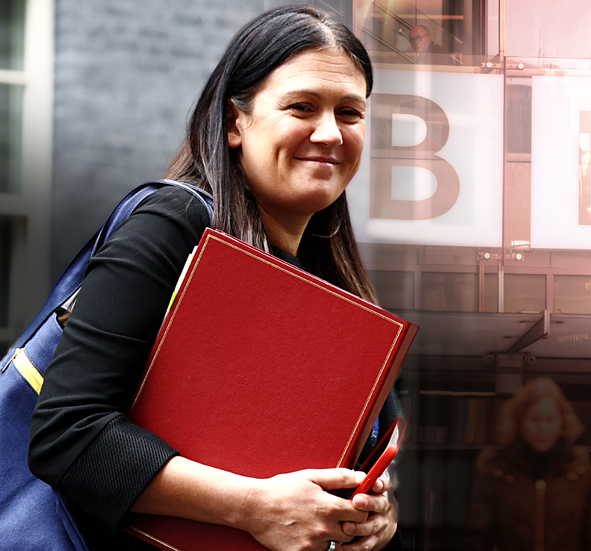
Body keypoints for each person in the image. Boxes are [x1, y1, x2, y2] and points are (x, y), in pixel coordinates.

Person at [28, 6, 400, 551]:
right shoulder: (173, 226)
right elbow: (67, 435)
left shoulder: (339, 285)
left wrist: (371, 516)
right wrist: (253, 507)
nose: (330, 133)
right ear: (234, 123)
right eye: (302, 107)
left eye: (350, 112)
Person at [465, 378, 591, 551]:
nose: (542, 427)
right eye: (534, 419)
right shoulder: (496, 474)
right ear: (520, 423)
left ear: (562, 423)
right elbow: (476, 540)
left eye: (550, 419)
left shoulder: (582, 475)